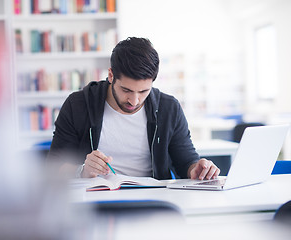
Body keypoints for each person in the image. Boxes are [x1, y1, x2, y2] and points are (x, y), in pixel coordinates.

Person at [48, 37, 220, 180]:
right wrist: (83, 170)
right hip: (94, 201)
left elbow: (186, 162)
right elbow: (54, 166)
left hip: (151, 201)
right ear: (111, 75)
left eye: (144, 91)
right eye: (126, 90)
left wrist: (197, 169)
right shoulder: (78, 105)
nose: (134, 100)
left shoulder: (169, 108)